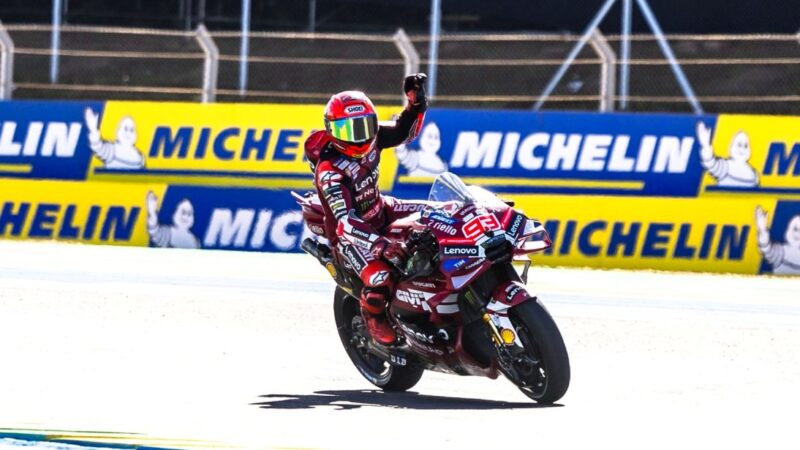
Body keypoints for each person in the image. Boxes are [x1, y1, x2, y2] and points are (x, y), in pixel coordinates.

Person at [305, 74, 429, 345]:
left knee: (440, 214)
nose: (359, 136)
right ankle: (373, 319)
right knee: (380, 277)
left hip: (381, 209)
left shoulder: (373, 138)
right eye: (348, 130)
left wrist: (416, 105)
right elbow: (345, 222)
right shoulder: (330, 170)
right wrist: (381, 245)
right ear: (332, 131)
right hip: (350, 238)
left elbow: (403, 132)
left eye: (364, 126)